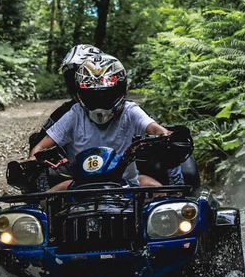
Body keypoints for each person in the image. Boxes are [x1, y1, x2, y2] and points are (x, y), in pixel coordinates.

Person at [29, 47, 171, 190]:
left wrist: (166, 137)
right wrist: (32, 161)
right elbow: (41, 146)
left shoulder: (130, 111)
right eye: (92, 96)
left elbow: (156, 129)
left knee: (162, 195)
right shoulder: (75, 113)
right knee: (45, 203)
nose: (100, 101)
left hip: (127, 184)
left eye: (106, 95)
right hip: (82, 185)